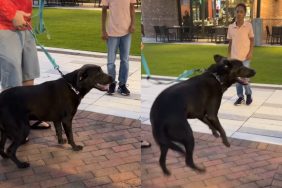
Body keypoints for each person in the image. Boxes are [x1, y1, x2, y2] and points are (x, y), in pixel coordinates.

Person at [0, 0, 51, 130]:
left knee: (29, 74)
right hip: (5, 25)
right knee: (12, 78)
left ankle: (27, 116)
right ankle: (11, 124)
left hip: (25, 24)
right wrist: (12, 14)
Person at [101, 0, 136, 96]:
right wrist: (103, 30)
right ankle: (112, 83)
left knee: (125, 60)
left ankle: (122, 85)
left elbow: (132, 8)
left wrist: (133, 24)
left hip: (126, 31)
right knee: (110, 62)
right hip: (111, 32)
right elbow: (104, 11)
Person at [227, 3, 254, 106]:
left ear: (244, 14)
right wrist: (229, 55)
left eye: (241, 12)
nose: (239, 13)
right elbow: (230, 43)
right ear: (235, 12)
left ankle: (249, 95)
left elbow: (252, 40)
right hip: (234, 58)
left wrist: (251, 52)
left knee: (245, 78)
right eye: (237, 11)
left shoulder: (248, 26)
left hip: (246, 57)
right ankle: (240, 97)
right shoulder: (231, 27)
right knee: (237, 79)